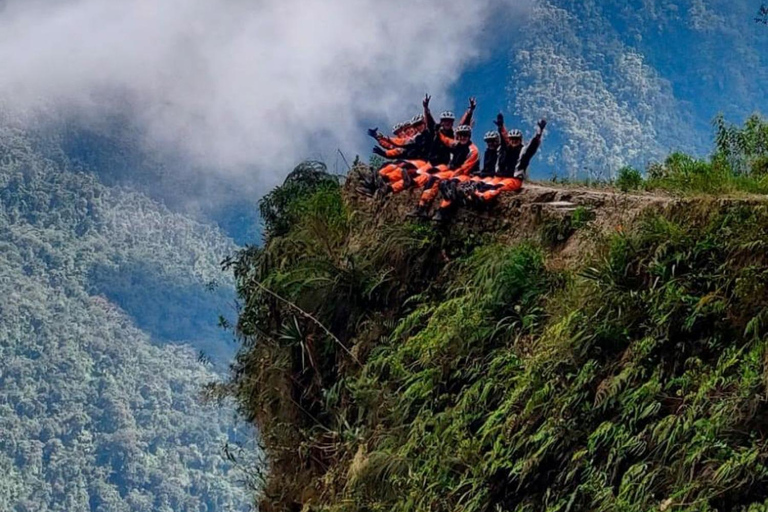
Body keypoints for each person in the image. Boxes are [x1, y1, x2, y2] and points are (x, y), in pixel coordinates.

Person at [471, 115, 547, 203]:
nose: (514, 141)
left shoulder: (523, 151)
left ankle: (482, 198)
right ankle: (474, 197)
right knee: (486, 185)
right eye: (512, 139)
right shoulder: (506, 149)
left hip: (514, 179)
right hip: (501, 176)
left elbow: (533, 145)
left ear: (520, 140)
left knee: (497, 187)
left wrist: (539, 132)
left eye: (516, 139)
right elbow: (504, 138)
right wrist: (501, 127)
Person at [409, 124, 479, 219]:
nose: (462, 137)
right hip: (453, 171)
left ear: (469, 136)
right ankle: (422, 207)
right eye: (460, 135)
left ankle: (442, 211)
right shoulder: (456, 144)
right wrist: (438, 132)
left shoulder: (473, 150)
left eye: (465, 135)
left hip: (465, 174)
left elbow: (465, 168)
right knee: (433, 178)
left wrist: (451, 176)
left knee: (450, 185)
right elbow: (446, 140)